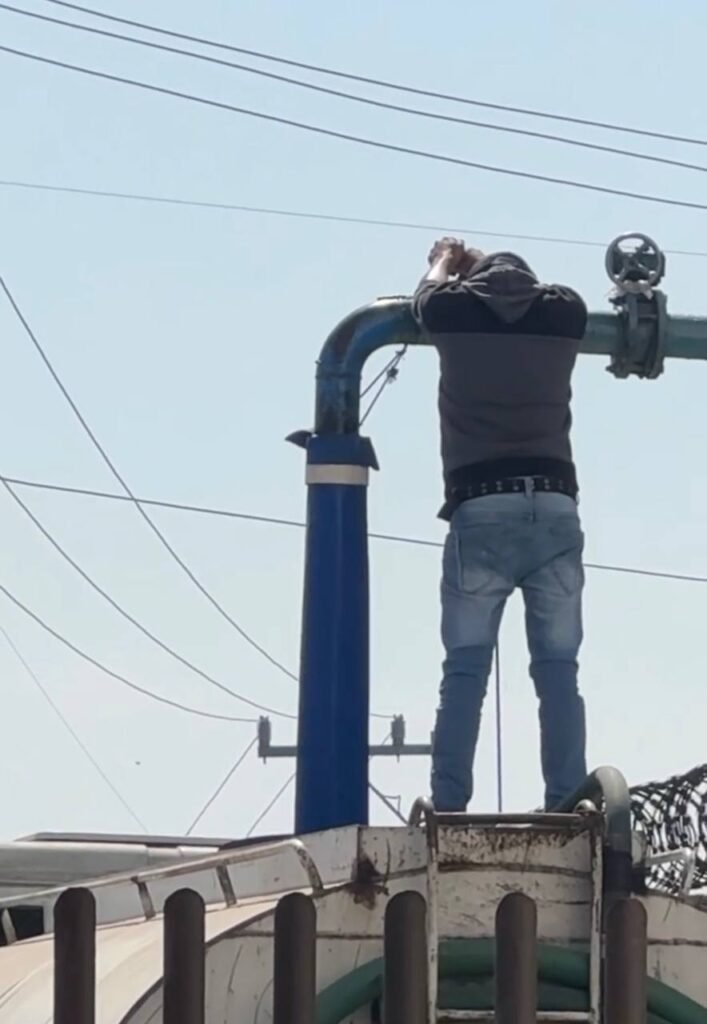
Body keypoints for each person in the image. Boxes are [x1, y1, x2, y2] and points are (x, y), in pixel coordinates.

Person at [412, 237, 588, 812]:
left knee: (465, 668)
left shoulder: (452, 313)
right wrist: (486, 263)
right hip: (555, 507)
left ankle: (448, 804)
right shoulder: (565, 313)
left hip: (481, 507)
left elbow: (427, 296)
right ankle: (566, 800)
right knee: (558, 669)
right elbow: (537, 293)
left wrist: (445, 259)